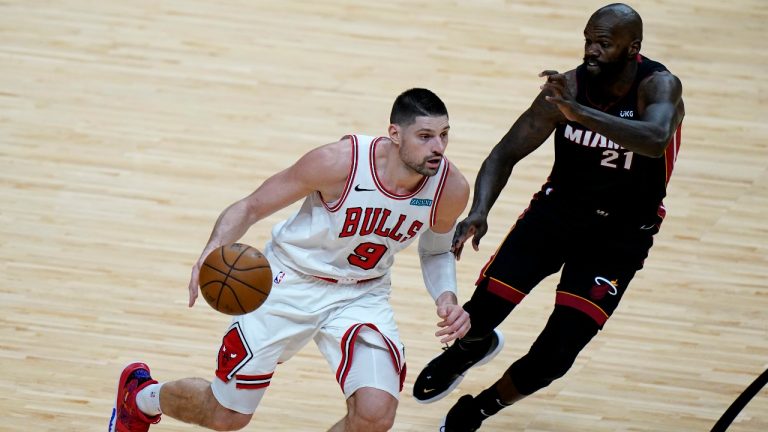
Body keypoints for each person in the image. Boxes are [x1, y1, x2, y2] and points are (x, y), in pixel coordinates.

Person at [109, 88, 472, 432]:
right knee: (227, 416)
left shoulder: (450, 188)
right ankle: (140, 397)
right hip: (288, 283)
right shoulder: (339, 163)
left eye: (444, 135)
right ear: (394, 133)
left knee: (375, 416)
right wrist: (211, 248)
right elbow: (250, 206)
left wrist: (446, 297)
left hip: (362, 294)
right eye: (425, 136)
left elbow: (437, 249)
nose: (438, 147)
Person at [411, 3, 685, 431]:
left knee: (556, 354)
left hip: (620, 235)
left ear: (633, 48)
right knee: (478, 316)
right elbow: (505, 152)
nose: (591, 50)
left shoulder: (659, 86)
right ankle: (469, 350)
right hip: (557, 216)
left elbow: (654, 138)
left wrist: (581, 115)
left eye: (604, 44)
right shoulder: (569, 89)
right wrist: (480, 212)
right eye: (588, 40)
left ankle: (480, 408)